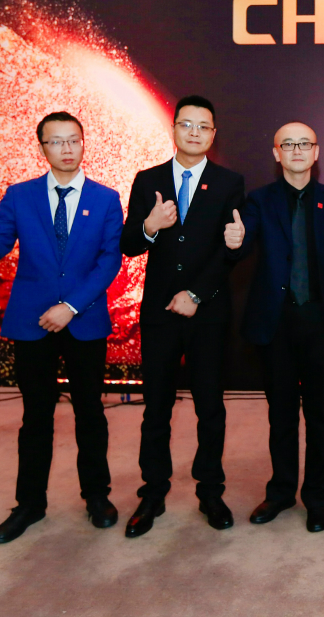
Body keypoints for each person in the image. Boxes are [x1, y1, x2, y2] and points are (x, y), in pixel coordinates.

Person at [0, 111, 123, 544]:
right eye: (56, 141)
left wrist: (71, 306)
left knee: (90, 413)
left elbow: (109, 261)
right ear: (42, 148)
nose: (66, 149)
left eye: (73, 140)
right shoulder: (20, 195)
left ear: (84, 143)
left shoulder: (106, 198)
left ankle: (96, 496)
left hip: (84, 321)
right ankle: (29, 504)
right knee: (36, 416)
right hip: (31, 322)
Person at [119, 95, 246, 537]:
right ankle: (152, 492)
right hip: (160, 313)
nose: (194, 133)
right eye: (186, 124)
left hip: (208, 312)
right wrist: (150, 225)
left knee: (210, 406)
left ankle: (210, 491)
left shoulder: (230, 182)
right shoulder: (148, 179)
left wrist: (196, 293)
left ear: (213, 134)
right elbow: (129, 244)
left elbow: (232, 249)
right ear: (173, 129)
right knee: (156, 406)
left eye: (203, 126)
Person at [234, 122, 324, 533]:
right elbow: (245, 240)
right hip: (277, 323)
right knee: (281, 414)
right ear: (277, 154)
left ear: (316, 151)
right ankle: (281, 491)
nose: (297, 150)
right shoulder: (259, 200)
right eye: (288, 144)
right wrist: (235, 238)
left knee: (321, 416)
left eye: (305, 143)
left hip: (321, 321)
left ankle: (318, 498)